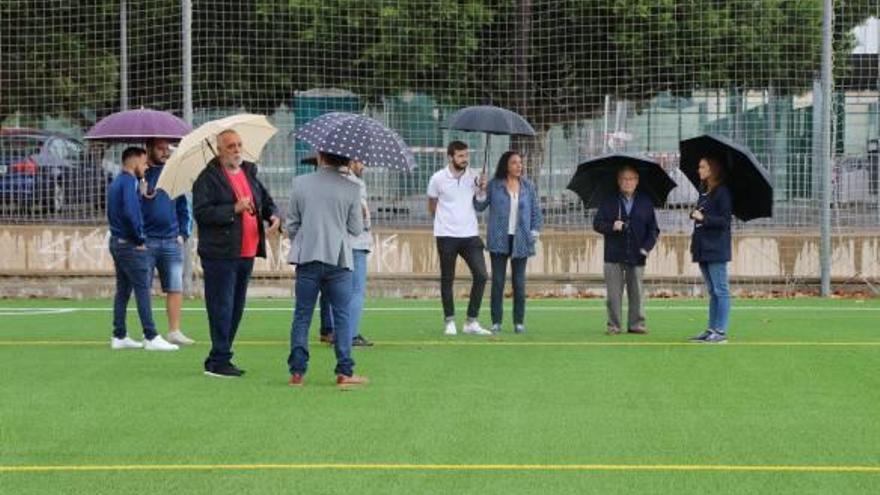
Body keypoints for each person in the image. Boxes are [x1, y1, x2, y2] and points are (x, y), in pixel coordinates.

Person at [192, 130, 281, 377]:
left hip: (247, 251)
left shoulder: (249, 172)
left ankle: (219, 356)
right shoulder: (207, 178)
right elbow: (201, 213)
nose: (237, 149)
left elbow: (264, 200)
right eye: (231, 146)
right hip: (220, 253)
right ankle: (220, 359)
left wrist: (272, 214)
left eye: (239, 144)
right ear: (219, 150)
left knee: (236, 307)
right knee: (221, 306)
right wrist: (233, 208)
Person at [286, 152, 366, 388]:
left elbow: (292, 224)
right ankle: (344, 371)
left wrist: (303, 240)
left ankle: (297, 372)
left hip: (308, 257)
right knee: (341, 315)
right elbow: (355, 228)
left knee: (302, 315)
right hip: (339, 259)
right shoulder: (352, 188)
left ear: (321, 157)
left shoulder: (300, 183)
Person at [107, 146, 178, 351]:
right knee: (142, 289)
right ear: (136, 160)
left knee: (123, 290)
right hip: (129, 244)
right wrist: (139, 238)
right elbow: (131, 213)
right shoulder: (128, 182)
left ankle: (119, 335)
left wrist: (140, 190)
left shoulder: (119, 181)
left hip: (117, 241)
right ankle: (151, 335)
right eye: (144, 162)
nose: (146, 166)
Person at [473, 151, 542, 334]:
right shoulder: (494, 186)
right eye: (514, 163)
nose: (519, 166)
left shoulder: (528, 186)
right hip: (499, 238)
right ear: (506, 165)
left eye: (520, 163)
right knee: (498, 281)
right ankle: (496, 321)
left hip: (521, 238)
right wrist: (480, 190)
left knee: (519, 283)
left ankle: (519, 322)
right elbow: (479, 206)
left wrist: (534, 231)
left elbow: (536, 212)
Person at [427, 141, 491, 336]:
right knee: (447, 278)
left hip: (470, 235)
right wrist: (442, 222)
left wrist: (482, 189)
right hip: (446, 236)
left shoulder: (474, 176)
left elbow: (480, 203)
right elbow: (432, 204)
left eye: (466, 156)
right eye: (461, 156)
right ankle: (449, 321)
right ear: (450, 157)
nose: (465, 159)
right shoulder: (438, 178)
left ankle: (471, 321)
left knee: (481, 275)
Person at [592, 165, 660, 335]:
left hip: (638, 254)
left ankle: (636, 324)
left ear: (637, 181)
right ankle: (614, 325)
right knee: (614, 294)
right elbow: (597, 224)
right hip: (613, 254)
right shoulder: (609, 200)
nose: (627, 182)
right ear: (618, 181)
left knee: (636, 291)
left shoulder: (645, 202)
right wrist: (612, 226)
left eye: (631, 179)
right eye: (623, 179)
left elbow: (654, 230)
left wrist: (646, 248)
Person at [141, 138, 194, 346]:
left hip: (172, 240)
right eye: (160, 149)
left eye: (167, 149)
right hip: (146, 242)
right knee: (143, 288)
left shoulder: (174, 174)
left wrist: (183, 234)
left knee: (175, 286)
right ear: (149, 149)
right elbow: (132, 208)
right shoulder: (140, 175)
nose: (165, 152)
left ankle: (174, 331)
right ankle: (149, 333)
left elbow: (184, 206)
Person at [688, 156, 732, 344]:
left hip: (716, 248)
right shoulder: (704, 192)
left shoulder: (722, 192)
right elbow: (702, 215)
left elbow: (724, 221)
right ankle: (711, 328)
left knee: (720, 290)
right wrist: (696, 215)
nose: (699, 169)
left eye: (702, 166)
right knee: (713, 291)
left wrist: (703, 218)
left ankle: (720, 331)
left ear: (712, 169)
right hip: (702, 247)